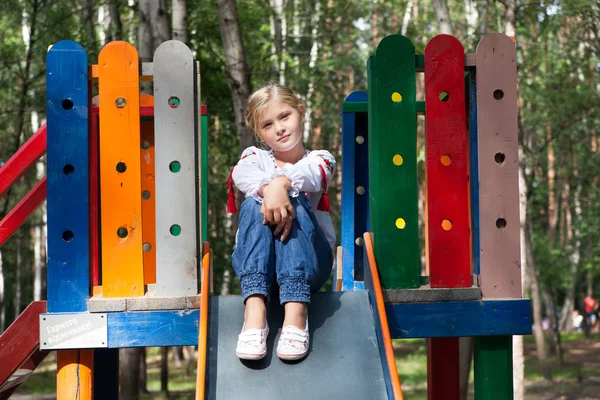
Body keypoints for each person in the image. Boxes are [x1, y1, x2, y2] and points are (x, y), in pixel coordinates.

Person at [227, 82, 336, 361]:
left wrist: (282, 184)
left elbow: (312, 175)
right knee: (254, 202)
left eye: (285, 116)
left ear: (301, 111)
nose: (279, 128)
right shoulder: (255, 157)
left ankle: (296, 312)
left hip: (310, 264)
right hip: (262, 268)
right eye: (268, 124)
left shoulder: (321, 159)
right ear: (260, 133)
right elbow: (241, 175)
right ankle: (254, 310)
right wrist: (269, 190)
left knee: (293, 198)